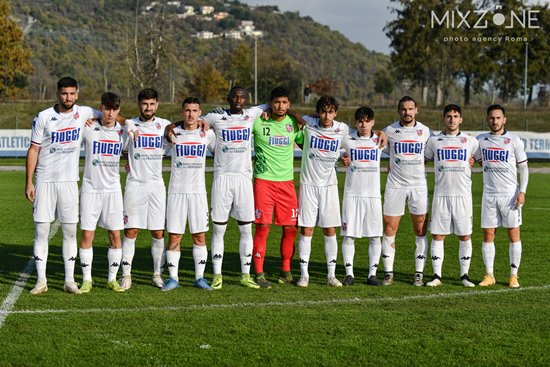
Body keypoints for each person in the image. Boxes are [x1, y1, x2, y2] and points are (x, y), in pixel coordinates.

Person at [25, 77, 101, 295]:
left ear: (77, 94)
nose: (68, 97)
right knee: (41, 231)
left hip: (69, 183)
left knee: (69, 231)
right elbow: (34, 149)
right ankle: (41, 281)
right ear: (58, 94)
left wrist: (131, 124)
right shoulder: (44, 117)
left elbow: (110, 115)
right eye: (64, 93)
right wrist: (29, 181)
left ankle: (69, 280)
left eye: (72, 93)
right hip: (45, 180)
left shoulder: (85, 112)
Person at [201, 86, 269, 290]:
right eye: (235, 96)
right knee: (219, 230)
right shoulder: (216, 116)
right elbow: (198, 120)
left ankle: (245, 275)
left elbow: (271, 105)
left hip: (243, 181)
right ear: (228, 98)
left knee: (246, 229)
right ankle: (217, 275)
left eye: (242, 97)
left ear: (245, 100)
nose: (238, 99)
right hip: (222, 179)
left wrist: (298, 117)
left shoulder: (251, 114)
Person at [119, 88, 172, 290]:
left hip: (156, 185)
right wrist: (129, 161)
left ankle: (157, 274)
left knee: (158, 232)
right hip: (135, 184)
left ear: (157, 105)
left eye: (151, 104)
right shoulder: (130, 126)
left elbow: (176, 131)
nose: (148, 108)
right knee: (131, 230)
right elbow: (124, 149)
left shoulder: (164, 125)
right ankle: (126, 275)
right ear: (139, 104)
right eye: (144, 104)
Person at [295, 95, 349, 287]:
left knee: (329, 229)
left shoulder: (342, 129)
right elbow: (294, 115)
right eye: (324, 111)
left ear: (336, 113)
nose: (327, 116)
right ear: (318, 112)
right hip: (308, 184)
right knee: (307, 229)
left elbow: (349, 148)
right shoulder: (309, 124)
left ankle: (331, 275)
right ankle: (304, 275)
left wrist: (345, 157)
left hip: (329, 186)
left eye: (331, 112)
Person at [162, 97, 216, 291]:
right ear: (181, 112)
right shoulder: (172, 134)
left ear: (200, 112)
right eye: (187, 110)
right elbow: (157, 153)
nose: (191, 114)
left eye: (194, 110)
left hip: (198, 194)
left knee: (199, 236)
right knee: (174, 237)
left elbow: (220, 153)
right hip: (176, 192)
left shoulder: (207, 134)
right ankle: (173, 278)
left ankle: (199, 277)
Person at [424, 104, 479, 288]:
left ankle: (464, 275)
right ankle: (437, 275)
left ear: (461, 119)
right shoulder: (434, 141)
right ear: (443, 119)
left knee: (465, 236)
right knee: (438, 236)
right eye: (449, 116)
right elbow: (424, 159)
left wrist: (473, 162)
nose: (452, 119)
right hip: (441, 195)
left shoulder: (470, 141)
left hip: (463, 196)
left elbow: (481, 160)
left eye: (456, 116)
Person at [474, 104, 528, 288]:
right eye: (491, 118)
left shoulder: (514, 140)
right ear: (487, 119)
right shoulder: (480, 140)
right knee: (488, 235)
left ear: (504, 119)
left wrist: (522, 191)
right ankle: (489, 275)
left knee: (513, 234)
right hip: (489, 195)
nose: (495, 121)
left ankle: (514, 275)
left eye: (498, 118)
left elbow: (523, 168)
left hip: (510, 195)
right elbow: (477, 161)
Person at [252, 87, 301, 288]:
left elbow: (310, 144)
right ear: (270, 103)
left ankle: (286, 271)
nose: (280, 106)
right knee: (263, 227)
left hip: (286, 183)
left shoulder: (294, 124)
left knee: (290, 228)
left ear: (289, 105)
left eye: (284, 102)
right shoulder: (258, 121)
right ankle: (258, 273)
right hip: (263, 182)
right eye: (276, 102)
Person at [78, 92, 126, 293]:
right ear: (101, 108)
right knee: (87, 235)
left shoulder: (124, 131)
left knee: (115, 235)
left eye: (114, 109)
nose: (110, 113)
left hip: (113, 191)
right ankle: (87, 279)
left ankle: (112, 279)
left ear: (118, 110)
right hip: (90, 189)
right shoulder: (88, 128)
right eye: (107, 108)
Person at [381, 96, 431, 286]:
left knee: (420, 230)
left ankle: (418, 272)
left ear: (416, 110)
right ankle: (388, 272)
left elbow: (435, 152)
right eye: (403, 109)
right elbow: (378, 146)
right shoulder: (390, 131)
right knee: (389, 228)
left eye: (411, 109)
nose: (407, 112)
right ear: (398, 111)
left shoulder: (426, 132)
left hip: (418, 185)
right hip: (396, 185)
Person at [340, 107, 383, 286]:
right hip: (352, 195)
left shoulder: (380, 141)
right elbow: (336, 150)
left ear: (372, 122)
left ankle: (372, 274)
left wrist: (382, 133)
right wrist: (341, 157)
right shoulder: (347, 139)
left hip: (373, 196)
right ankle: (349, 274)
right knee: (349, 235)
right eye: (360, 121)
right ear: (355, 123)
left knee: (375, 236)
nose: (363, 124)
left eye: (367, 121)